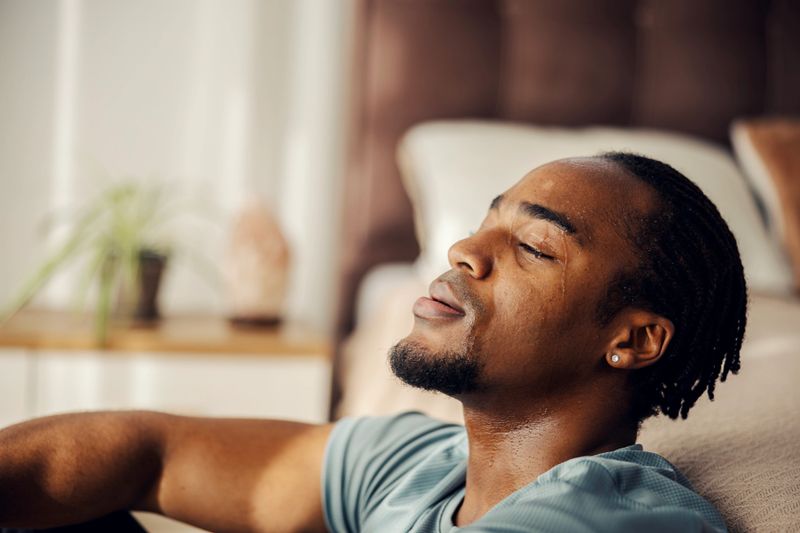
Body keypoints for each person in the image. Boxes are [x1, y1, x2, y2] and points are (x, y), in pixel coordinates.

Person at [0, 153, 744, 532]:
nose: (463, 250)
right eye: (486, 220)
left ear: (633, 339)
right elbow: (150, 450)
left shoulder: (608, 519)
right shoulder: (425, 467)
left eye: (535, 247)